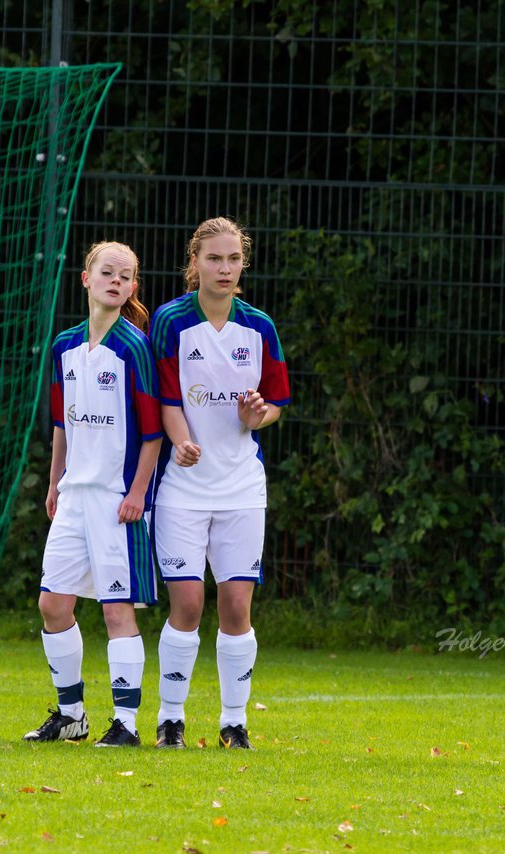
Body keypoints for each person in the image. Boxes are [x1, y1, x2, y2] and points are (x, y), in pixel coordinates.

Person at [148, 217, 290, 750]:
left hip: (241, 489)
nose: (225, 269)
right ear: (195, 264)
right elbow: (165, 397)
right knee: (186, 605)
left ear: (242, 264)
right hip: (182, 488)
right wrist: (181, 441)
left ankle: (234, 723)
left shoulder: (260, 327)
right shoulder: (170, 321)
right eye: (214, 259)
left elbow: (273, 403)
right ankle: (170, 721)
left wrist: (259, 415)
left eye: (233, 259)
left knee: (236, 607)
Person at [23, 241, 162, 748]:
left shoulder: (134, 347)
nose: (116, 281)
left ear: (131, 289)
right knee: (52, 604)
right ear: (86, 279)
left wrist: (138, 493)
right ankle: (71, 715)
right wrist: (57, 480)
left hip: (116, 500)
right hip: (74, 496)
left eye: (126, 276)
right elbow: (62, 422)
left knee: (115, 610)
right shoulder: (64, 346)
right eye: (108, 272)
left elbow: (153, 432)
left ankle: (125, 725)